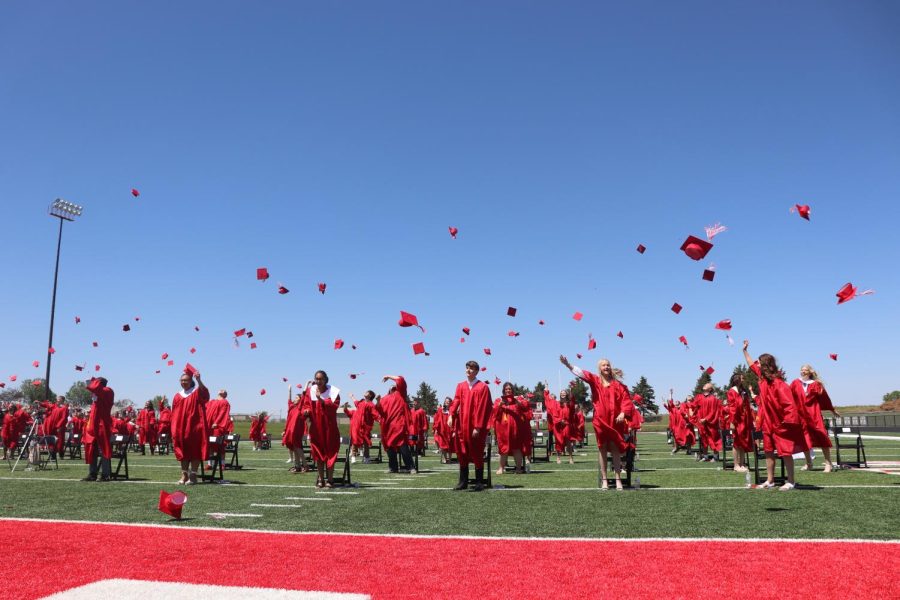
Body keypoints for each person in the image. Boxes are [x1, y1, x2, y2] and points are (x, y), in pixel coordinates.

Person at [742, 340, 807, 490]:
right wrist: (744, 351)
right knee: (769, 451)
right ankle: (770, 481)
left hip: (780, 423)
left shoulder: (779, 384)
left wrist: (787, 422)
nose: (757, 365)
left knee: (785, 452)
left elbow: (790, 405)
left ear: (766, 366)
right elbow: (751, 364)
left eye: (760, 363)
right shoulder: (762, 379)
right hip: (768, 422)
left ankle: (791, 481)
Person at [560, 355, 628, 490]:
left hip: (615, 421)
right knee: (602, 448)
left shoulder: (618, 385)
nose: (606, 367)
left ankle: (618, 478)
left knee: (615, 449)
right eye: (603, 365)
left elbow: (626, 400)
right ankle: (604, 479)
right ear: (600, 369)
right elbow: (582, 373)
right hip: (601, 421)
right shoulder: (595, 381)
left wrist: (623, 412)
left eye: (608, 364)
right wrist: (568, 365)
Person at [447, 360, 492, 491]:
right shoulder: (460, 386)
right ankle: (463, 481)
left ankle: (479, 481)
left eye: (471, 368)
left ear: (477, 371)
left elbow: (484, 408)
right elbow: (456, 401)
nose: (468, 370)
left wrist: (478, 426)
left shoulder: (483, 387)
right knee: (461, 451)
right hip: (461, 425)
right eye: (467, 368)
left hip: (475, 426)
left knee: (477, 451)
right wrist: (451, 414)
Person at [791, 365, 841, 472]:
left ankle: (828, 463)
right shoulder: (795, 383)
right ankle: (809, 463)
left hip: (814, 414)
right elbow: (788, 397)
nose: (803, 372)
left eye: (805, 370)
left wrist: (832, 409)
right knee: (804, 439)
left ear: (810, 372)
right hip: (801, 416)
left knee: (822, 436)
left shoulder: (816, 384)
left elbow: (825, 398)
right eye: (802, 370)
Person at [302, 371, 342, 488]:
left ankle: (330, 479)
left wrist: (321, 400)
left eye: (321, 379)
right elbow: (306, 405)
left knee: (330, 453)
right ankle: (320, 479)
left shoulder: (333, 391)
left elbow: (334, 406)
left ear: (326, 379)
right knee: (318, 453)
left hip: (329, 428)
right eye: (317, 379)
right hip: (316, 428)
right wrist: (306, 411)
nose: (318, 381)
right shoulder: (311, 390)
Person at [171, 369, 210, 485]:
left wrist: (199, 380)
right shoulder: (177, 396)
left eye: (186, 380)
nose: (183, 382)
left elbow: (205, 394)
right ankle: (184, 475)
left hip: (194, 426)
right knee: (182, 451)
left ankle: (193, 475)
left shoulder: (196, 392)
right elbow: (173, 413)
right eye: (182, 380)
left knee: (195, 450)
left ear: (190, 381)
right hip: (180, 428)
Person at [375, 375, 416, 474]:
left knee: (403, 446)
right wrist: (377, 402)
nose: (393, 388)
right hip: (388, 427)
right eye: (391, 388)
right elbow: (381, 412)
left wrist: (388, 376)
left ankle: (411, 467)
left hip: (398, 425)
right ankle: (393, 467)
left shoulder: (400, 394)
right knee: (390, 448)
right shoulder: (384, 399)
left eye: (395, 387)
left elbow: (400, 379)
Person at [82, 377, 114, 482]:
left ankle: (105, 474)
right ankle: (92, 474)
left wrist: (92, 383)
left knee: (103, 450)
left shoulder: (108, 391)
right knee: (92, 450)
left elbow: (96, 389)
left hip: (102, 425)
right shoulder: (98, 393)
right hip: (94, 426)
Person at [491, 383, 527, 474]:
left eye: (510, 389)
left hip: (515, 428)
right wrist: (500, 404)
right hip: (502, 429)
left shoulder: (517, 399)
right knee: (503, 448)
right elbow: (494, 412)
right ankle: (501, 468)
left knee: (516, 448)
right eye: (506, 389)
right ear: (503, 390)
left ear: (512, 390)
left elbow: (525, 408)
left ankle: (518, 468)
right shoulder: (499, 400)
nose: (508, 390)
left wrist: (516, 401)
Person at [726, 373, 754, 472]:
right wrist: (732, 422)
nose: (743, 379)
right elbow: (732, 408)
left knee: (743, 442)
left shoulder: (743, 391)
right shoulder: (732, 391)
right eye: (742, 378)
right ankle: (736, 465)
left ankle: (742, 464)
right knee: (736, 442)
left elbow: (747, 406)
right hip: (737, 420)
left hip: (744, 419)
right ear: (737, 379)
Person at [544, 388, 575, 464]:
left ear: (566, 394)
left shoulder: (569, 404)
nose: (563, 394)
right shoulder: (557, 403)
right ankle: (558, 457)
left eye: (564, 393)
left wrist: (571, 390)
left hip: (566, 425)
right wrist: (546, 391)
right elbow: (548, 402)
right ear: (560, 395)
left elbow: (573, 402)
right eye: (561, 393)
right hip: (558, 425)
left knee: (568, 441)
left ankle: (570, 458)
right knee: (558, 441)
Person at [344, 391, 377, 463]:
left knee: (366, 443)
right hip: (357, 426)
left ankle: (366, 458)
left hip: (365, 427)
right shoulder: (361, 403)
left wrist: (380, 420)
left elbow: (375, 414)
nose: (365, 392)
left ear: (370, 395)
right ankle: (353, 457)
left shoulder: (371, 405)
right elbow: (356, 402)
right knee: (355, 441)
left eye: (367, 392)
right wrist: (352, 396)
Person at [695, 383, 723, 462]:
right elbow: (694, 407)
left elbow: (713, 411)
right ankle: (705, 456)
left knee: (714, 439)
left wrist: (706, 419)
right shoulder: (699, 397)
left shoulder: (713, 398)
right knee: (704, 439)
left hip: (711, 423)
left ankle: (715, 456)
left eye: (707, 385)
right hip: (701, 422)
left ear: (710, 389)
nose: (705, 385)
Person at [205, 389, 232, 468]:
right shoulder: (212, 401)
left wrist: (216, 422)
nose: (221, 390)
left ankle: (222, 464)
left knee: (220, 446)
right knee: (210, 445)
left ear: (225, 394)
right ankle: (210, 464)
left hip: (218, 427)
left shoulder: (225, 402)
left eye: (223, 390)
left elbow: (222, 413)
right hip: (210, 427)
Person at [283, 390, 308, 472]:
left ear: (300, 400)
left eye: (297, 397)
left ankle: (305, 465)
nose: (295, 399)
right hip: (290, 430)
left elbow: (304, 395)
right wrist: (289, 390)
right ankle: (297, 466)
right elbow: (289, 400)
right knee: (294, 447)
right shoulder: (292, 406)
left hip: (296, 430)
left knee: (298, 446)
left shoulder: (300, 407)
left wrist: (306, 384)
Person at [432, 398, 452, 463]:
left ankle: (449, 458)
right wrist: (436, 429)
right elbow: (437, 419)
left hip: (450, 428)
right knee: (443, 444)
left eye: (448, 401)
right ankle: (444, 458)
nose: (447, 402)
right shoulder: (441, 410)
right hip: (442, 429)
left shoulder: (452, 410)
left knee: (450, 444)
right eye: (446, 401)